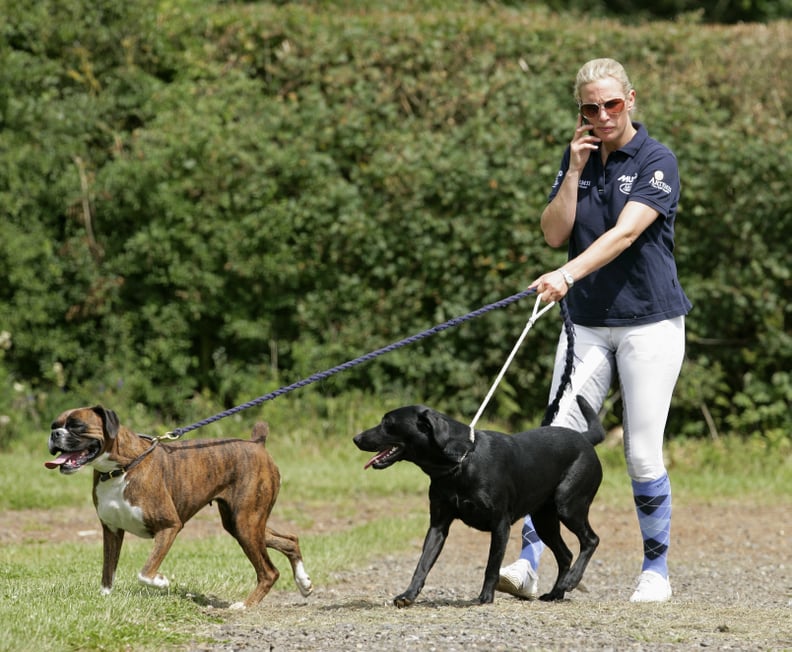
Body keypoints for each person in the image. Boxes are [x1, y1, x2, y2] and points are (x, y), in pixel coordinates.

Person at [497, 58, 692, 603]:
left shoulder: (658, 160)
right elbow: (555, 232)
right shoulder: (576, 156)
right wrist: (576, 173)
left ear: (630, 99)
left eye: (611, 104)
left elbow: (625, 234)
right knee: (551, 443)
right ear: (579, 110)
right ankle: (530, 562)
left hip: (649, 325)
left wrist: (566, 274)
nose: (602, 115)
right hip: (584, 325)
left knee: (641, 452)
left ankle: (656, 570)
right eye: (590, 107)